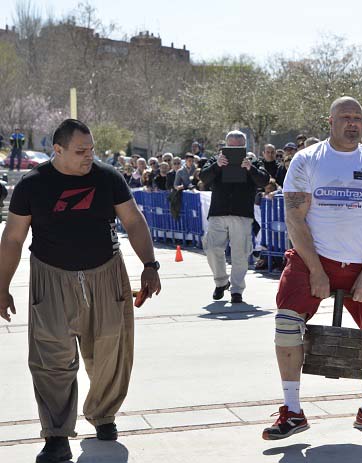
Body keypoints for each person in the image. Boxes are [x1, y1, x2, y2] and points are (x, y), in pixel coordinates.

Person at [0, 119, 161, 463]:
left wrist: (150, 264)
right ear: (57, 150)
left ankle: (103, 413)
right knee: (51, 358)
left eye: (91, 149)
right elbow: (13, 238)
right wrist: (2, 286)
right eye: (80, 151)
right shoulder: (32, 185)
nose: (89, 156)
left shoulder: (108, 178)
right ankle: (56, 435)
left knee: (110, 350)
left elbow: (133, 221)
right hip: (51, 276)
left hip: (105, 273)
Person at [263, 96, 362, 440]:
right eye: (345, 117)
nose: (352, 123)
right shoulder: (307, 161)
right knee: (286, 322)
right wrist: (315, 269)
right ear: (330, 122)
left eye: (357, 118)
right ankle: (292, 411)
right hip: (313, 257)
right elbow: (295, 219)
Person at [199, 130, 270, 303]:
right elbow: (203, 177)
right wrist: (217, 166)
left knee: (240, 253)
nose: (235, 150)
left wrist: (250, 169)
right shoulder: (215, 160)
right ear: (225, 145)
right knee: (212, 248)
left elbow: (264, 181)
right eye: (231, 146)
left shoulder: (254, 161)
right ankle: (221, 281)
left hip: (242, 214)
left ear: (245, 146)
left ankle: (237, 290)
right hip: (218, 212)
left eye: (239, 147)